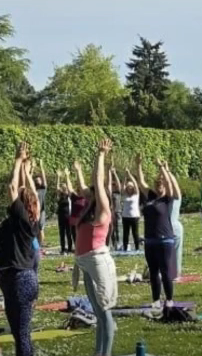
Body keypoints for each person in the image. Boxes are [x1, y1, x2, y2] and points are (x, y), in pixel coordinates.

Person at [72, 138, 120, 356]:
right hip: (86, 262)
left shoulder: (103, 210)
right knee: (98, 313)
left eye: (94, 192)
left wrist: (101, 155)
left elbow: (98, 181)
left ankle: (105, 353)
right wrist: (78, 171)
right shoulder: (89, 210)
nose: (90, 193)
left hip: (99, 262)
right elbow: (88, 185)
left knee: (105, 312)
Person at [0, 143, 42, 356]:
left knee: (22, 334)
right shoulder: (27, 220)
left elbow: (12, 188)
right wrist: (25, 168)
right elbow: (27, 193)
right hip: (12, 277)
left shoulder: (23, 220)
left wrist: (17, 160)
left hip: (20, 279)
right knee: (19, 334)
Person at [137, 156, 181, 308]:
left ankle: (169, 299)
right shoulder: (151, 196)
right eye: (157, 185)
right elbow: (141, 182)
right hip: (150, 240)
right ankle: (156, 300)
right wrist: (138, 165)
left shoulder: (167, 199)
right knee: (153, 272)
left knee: (165, 270)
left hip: (165, 240)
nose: (159, 187)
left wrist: (162, 168)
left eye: (161, 185)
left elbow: (169, 184)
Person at [117, 166, 142, 253]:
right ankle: (124, 248)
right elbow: (122, 186)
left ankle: (137, 248)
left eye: (131, 187)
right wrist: (125, 176)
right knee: (126, 233)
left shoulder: (136, 194)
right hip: (125, 216)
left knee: (135, 233)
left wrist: (129, 174)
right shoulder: (125, 194)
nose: (130, 188)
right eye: (128, 186)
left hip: (134, 217)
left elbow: (135, 183)